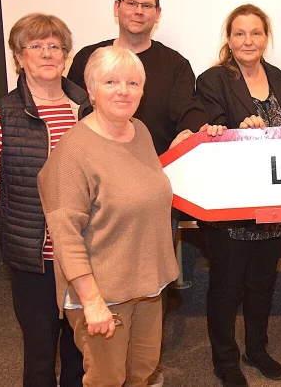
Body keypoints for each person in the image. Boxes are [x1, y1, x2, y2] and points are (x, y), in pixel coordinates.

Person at [37, 46, 210, 386]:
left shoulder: (140, 131)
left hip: (147, 287)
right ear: (91, 89)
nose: (123, 90)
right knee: (107, 380)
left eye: (133, 83)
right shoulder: (73, 151)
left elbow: (146, 192)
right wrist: (92, 302)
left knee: (141, 373)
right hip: (103, 294)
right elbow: (66, 235)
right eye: (111, 81)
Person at [0, 13, 87, 387]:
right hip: (35, 257)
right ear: (19, 56)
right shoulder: (2, 115)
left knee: (80, 347)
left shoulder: (87, 108)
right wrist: (22, 220)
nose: (47, 53)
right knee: (39, 348)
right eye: (35, 46)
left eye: (55, 46)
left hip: (85, 250)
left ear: (66, 55)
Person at [195, 4, 281, 387]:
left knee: (262, 284)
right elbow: (212, 131)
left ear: (266, 38)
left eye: (255, 32)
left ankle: (257, 349)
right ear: (229, 39)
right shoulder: (213, 80)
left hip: (272, 206)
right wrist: (240, 127)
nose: (248, 40)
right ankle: (225, 360)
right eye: (239, 33)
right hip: (230, 206)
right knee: (225, 287)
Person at [67, 0, 208, 155]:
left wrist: (200, 135)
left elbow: (191, 119)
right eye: (131, 3)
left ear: (157, 14)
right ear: (117, 8)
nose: (138, 11)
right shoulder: (88, 58)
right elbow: (72, 114)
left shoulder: (176, 65)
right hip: (96, 168)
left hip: (158, 170)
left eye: (147, 6)